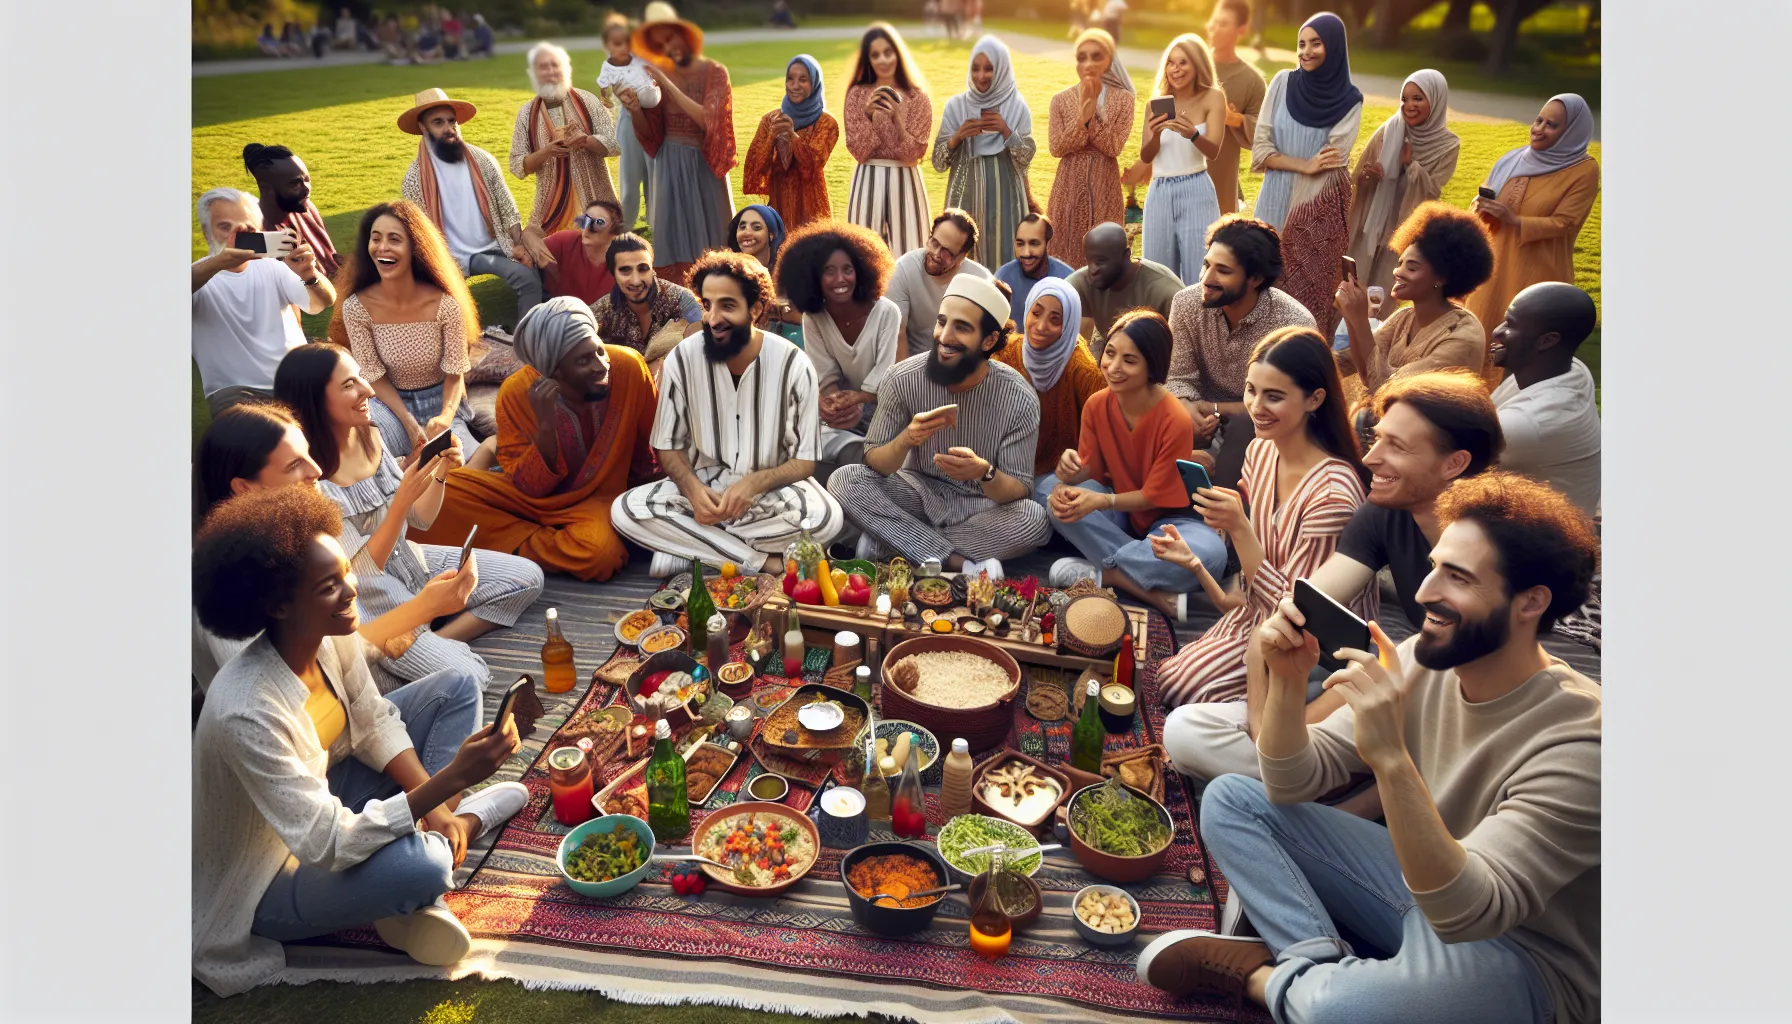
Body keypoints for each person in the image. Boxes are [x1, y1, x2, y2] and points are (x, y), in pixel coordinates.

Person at [1142, 472, 1599, 1024]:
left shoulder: (1583, 742)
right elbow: (1291, 782)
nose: (1425, 592)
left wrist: (1389, 758)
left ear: (1531, 602)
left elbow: (1469, 909)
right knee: (1232, 800)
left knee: (1342, 1009)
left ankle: (1266, 980)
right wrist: (1288, 683)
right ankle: (1315, 960)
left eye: (1457, 577)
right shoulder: (1421, 660)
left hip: (1521, 958)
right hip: (1421, 886)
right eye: (1433, 566)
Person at [191, 485, 528, 997]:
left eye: (344, 572)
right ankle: (449, 843)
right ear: (279, 605)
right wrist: (453, 780)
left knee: (455, 688)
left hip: (333, 787)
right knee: (423, 868)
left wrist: (436, 803)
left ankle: (439, 833)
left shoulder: (329, 632)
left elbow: (373, 722)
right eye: (329, 586)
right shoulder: (246, 708)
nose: (351, 590)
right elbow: (326, 841)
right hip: (269, 871)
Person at [1162, 368, 1503, 785]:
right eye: (1376, 439)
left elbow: (1436, 687)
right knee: (1185, 725)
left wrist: (1293, 738)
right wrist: (1270, 738)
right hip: (1359, 681)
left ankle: (1309, 788)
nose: (1370, 459)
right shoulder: (1382, 512)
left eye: (1395, 446)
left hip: (1445, 715)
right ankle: (1294, 781)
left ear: (1455, 463)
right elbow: (1287, 615)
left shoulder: (1495, 551)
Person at [275, 343, 545, 691]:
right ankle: (408, 643)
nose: (368, 390)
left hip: (415, 564)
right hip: (373, 605)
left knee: (527, 579)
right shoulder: (306, 479)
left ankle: (435, 635)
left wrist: (442, 471)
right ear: (314, 399)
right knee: (472, 677)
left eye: (360, 377)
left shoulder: (371, 434)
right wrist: (400, 502)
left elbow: (421, 520)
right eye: (349, 384)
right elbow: (357, 573)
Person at [190, 403, 482, 695]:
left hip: (357, 692)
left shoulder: (291, 531)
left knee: (464, 680)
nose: (316, 471)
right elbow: (298, 688)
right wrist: (421, 610)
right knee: (464, 682)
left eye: (308, 454)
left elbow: (356, 589)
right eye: (294, 465)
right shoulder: (227, 582)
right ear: (245, 488)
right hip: (310, 724)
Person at [1151, 326, 1369, 708]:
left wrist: (1237, 526)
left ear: (1315, 399)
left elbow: (1301, 616)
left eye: (1274, 396)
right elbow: (1251, 579)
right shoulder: (1261, 451)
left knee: (1186, 692)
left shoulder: (1332, 494)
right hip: (1259, 609)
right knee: (1168, 678)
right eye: (1251, 390)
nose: (1256, 407)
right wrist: (1202, 559)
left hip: (1308, 644)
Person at [612, 251, 842, 575]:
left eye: (728, 306)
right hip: (701, 488)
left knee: (825, 520)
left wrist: (753, 485)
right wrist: (692, 492)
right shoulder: (681, 359)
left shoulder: (793, 364)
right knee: (626, 511)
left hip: (769, 492)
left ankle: (694, 552)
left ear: (756, 309)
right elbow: (667, 445)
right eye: (707, 305)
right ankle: (761, 562)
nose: (713, 318)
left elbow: (804, 461)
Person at [409, 298, 660, 581]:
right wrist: (545, 429)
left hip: (600, 499)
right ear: (552, 372)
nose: (601, 365)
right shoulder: (516, 393)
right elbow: (527, 487)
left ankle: (508, 542)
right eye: (583, 360)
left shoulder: (628, 367)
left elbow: (649, 450)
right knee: (435, 498)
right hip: (528, 501)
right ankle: (544, 540)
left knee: (598, 553)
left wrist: (649, 507)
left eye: (599, 351)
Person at [829, 275, 1053, 578]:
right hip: (917, 494)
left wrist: (983, 472)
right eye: (941, 322)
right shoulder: (902, 378)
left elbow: (1018, 491)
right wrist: (906, 439)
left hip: (982, 508)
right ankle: (958, 564)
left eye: (961, 327)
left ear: (988, 340)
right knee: (846, 479)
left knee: (1034, 521)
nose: (944, 337)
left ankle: (897, 545)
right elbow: (874, 463)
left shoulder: (1019, 397)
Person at [1039, 309, 1221, 621]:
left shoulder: (1174, 418)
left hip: (1174, 522)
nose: (1113, 367)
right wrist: (1068, 470)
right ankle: (1141, 585)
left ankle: (1105, 575)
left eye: (1130, 360)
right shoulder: (1098, 404)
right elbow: (1092, 467)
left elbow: (1153, 495)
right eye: (1110, 353)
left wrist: (1102, 499)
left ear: (1153, 367)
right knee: (1046, 491)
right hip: (1122, 516)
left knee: (1210, 557)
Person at [326, 200, 491, 466]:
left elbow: (454, 372)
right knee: (385, 468)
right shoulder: (356, 308)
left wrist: (445, 418)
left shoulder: (445, 305)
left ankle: (486, 451)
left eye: (394, 239)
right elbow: (374, 375)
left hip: (442, 404)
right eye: (375, 238)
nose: (382, 248)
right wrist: (408, 422)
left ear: (415, 248)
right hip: (388, 406)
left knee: (457, 464)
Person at [1166, 215, 1316, 489]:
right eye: (1206, 264)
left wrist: (1214, 409)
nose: (1206, 279)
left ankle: (1223, 517)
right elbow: (1178, 376)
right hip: (1201, 421)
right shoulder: (1186, 303)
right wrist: (1187, 408)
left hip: (1267, 428)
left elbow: (1289, 403)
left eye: (1222, 271)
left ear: (1255, 278)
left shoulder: (1292, 322)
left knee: (1243, 427)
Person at [1466, 93, 1600, 384]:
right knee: (1480, 333)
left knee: (1517, 344)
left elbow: (1566, 223)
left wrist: (1514, 219)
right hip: (1492, 267)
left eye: (1552, 125)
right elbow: (1483, 206)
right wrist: (1480, 208)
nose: (1539, 128)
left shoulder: (1583, 170)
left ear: (1571, 132)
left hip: (1536, 273)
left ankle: (1509, 416)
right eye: (1538, 119)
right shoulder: (1513, 159)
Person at [1252, 13, 1364, 338]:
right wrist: (1304, 165)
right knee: (1260, 286)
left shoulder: (1350, 100)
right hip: (1272, 203)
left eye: (1316, 43)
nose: (1306, 51)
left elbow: (1334, 157)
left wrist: (1285, 160)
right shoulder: (1281, 82)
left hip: (1314, 212)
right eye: (1301, 43)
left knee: (1303, 304)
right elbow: (1260, 150)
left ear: (1335, 47)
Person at [398, 89, 548, 322]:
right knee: (436, 304)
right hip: (452, 255)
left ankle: (529, 340)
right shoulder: (414, 179)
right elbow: (420, 233)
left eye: (451, 121)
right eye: (438, 123)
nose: (448, 128)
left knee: (529, 277)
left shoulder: (482, 160)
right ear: (423, 128)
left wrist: (518, 244)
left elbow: (506, 206)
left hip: (495, 245)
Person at [192, 187, 335, 416]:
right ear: (207, 232)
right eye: (225, 227)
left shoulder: (274, 267)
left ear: (259, 232)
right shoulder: (196, 279)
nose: (235, 237)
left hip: (295, 379)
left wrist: (310, 275)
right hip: (235, 393)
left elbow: (322, 302)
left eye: (246, 230)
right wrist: (220, 261)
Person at [1335, 201, 1495, 403]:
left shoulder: (1462, 336)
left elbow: (1387, 388)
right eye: (1400, 263)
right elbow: (1353, 361)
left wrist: (1358, 318)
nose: (1397, 272)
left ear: (1441, 277)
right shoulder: (1404, 317)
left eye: (1411, 268)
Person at [777, 221, 902, 477]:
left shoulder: (886, 312)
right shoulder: (813, 317)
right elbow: (826, 378)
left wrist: (857, 401)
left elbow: (886, 379)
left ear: (862, 270)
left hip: (887, 408)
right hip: (846, 411)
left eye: (848, 269)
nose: (840, 279)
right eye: (829, 271)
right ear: (813, 277)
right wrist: (832, 404)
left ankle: (861, 461)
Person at [626, 2, 737, 288]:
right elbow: (650, 135)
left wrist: (667, 82)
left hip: (704, 163)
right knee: (673, 239)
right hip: (669, 163)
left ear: (684, 36)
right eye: (659, 43)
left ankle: (719, 292)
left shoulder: (715, 72)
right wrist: (635, 110)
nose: (667, 46)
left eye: (670, 37)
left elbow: (709, 120)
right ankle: (679, 304)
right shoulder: (652, 80)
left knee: (715, 237)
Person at [1487, 282, 1600, 516]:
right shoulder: (1575, 371)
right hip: (1552, 522)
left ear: (1547, 341)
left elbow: (1442, 465)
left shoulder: (1527, 423)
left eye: (1510, 325)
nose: (1497, 331)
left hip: (1537, 543)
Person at [1345, 70, 1459, 297]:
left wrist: (1410, 166)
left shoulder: (1448, 145)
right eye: (1404, 99)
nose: (1409, 106)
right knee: (1352, 285)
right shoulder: (1389, 130)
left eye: (1418, 98)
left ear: (1436, 100)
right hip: (1369, 223)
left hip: (1404, 227)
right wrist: (1369, 179)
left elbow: (1432, 192)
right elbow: (1356, 182)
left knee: (1385, 291)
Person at [934, 37, 1037, 271]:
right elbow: (939, 163)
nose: (981, 76)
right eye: (976, 68)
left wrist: (1006, 131)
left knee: (1004, 257)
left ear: (1001, 69)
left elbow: (1025, 159)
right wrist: (956, 137)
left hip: (1006, 199)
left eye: (989, 68)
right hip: (964, 196)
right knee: (960, 257)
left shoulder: (1016, 106)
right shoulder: (956, 106)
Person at [1137, 33, 1227, 284]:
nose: (1175, 70)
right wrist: (1154, 134)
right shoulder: (1156, 104)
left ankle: (1199, 322)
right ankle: (1161, 323)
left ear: (1197, 64)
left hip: (1196, 186)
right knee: (1157, 272)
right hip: (1160, 191)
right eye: (1170, 63)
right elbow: (1146, 155)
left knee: (1201, 267)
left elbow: (1213, 151)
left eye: (1183, 62)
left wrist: (1193, 134)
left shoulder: (1213, 97)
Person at [994, 276, 1103, 478]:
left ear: (1069, 324)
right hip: (1004, 467)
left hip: (1060, 474)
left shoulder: (1082, 369)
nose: (1041, 326)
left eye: (1055, 320)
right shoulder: (1006, 352)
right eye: (1036, 313)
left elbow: (1104, 432)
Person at [1046, 28, 1135, 271]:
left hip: (1104, 186)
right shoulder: (1060, 100)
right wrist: (1080, 121)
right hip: (1068, 185)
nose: (1088, 63)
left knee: (1104, 254)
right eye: (1081, 57)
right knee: (1064, 252)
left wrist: (1091, 117)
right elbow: (1056, 147)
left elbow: (1113, 146)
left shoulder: (1124, 99)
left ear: (1109, 60)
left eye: (1097, 56)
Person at [509, 42, 619, 237]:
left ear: (566, 70)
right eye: (543, 67)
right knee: (536, 245)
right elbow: (517, 166)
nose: (551, 72)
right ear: (533, 73)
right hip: (551, 211)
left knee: (593, 239)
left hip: (595, 203)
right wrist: (546, 152)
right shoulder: (526, 113)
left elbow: (614, 145)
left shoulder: (588, 101)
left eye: (556, 65)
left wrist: (586, 140)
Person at [843, 23, 933, 256]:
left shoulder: (917, 96)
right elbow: (859, 152)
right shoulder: (856, 94)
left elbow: (915, 154)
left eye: (888, 52)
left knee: (910, 250)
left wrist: (898, 121)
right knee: (863, 253)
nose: (883, 60)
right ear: (868, 60)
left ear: (898, 54)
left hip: (906, 180)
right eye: (875, 55)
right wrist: (869, 116)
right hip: (867, 179)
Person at [743, 54, 838, 231]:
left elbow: (813, 165)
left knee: (812, 251)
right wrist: (772, 136)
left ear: (815, 83)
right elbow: (755, 167)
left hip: (811, 203)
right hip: (779, 201)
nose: (795, 86)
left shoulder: (826, 123)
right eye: (790, 79)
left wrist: (792, 136)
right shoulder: (770, 120)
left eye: (803, 79)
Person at [886, 209, 994, 358]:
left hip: (959, 362)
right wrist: (906, 379)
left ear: (962, 256)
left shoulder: (981, 280)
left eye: (947, 252)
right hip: (913, 360)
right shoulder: (904, 269)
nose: (936, 254)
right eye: (934, 243)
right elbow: (897, 333)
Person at [590, 233, 702, 374]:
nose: (636, 281)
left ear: (652, 269)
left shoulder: (680, 299)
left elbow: (703, 344)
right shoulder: (603, 309)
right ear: (614, 274)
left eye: (643, 269)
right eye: (625, 271)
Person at [1069, 221, 1184, 355]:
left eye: (1101, 261)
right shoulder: (1084, 282)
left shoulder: (1166, 291)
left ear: (1126, 255)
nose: (1093, 269)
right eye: (1089, 261)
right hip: (1110, 348)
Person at [595, 13, 661, 231]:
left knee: (654, 173)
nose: (624, 47)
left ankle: (655, 222)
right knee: (631, 177)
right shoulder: (611, 66)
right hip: (629, 118)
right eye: (616, 43)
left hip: (655, 118)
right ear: (608, 45)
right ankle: (627, 224)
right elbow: (609, 91)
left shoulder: (641, 58)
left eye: (627, 42)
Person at [1205, 0, 1267, 217]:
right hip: (1177, 178)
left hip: (1220, 185)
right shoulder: (1186, 67)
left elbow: (1266, 132)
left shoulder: (1252, 80)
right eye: (1213, 21)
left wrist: (1236, 120)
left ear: (1241, 30)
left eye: (1223, 23)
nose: (1213, 28)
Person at [243, 142, 340, 279]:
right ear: (267, 189)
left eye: (307, 180)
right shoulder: (253, 238)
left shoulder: (305, 208)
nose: (307, 189)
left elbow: (332, 260)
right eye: (295, 184)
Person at [533, 199, 621, 304]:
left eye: (599, 223)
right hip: (556, 313)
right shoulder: (565, 241)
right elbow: (526, 252)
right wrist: (529, 236)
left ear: (615, 233)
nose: (587, 228)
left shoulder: (623, 260)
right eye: (585, 220)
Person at [993, 213, 1074, 324]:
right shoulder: (1003, 277)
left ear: (1047, 244)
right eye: (1020, 244)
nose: (1026, 253)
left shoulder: (1067, 279)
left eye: (1034, 244)